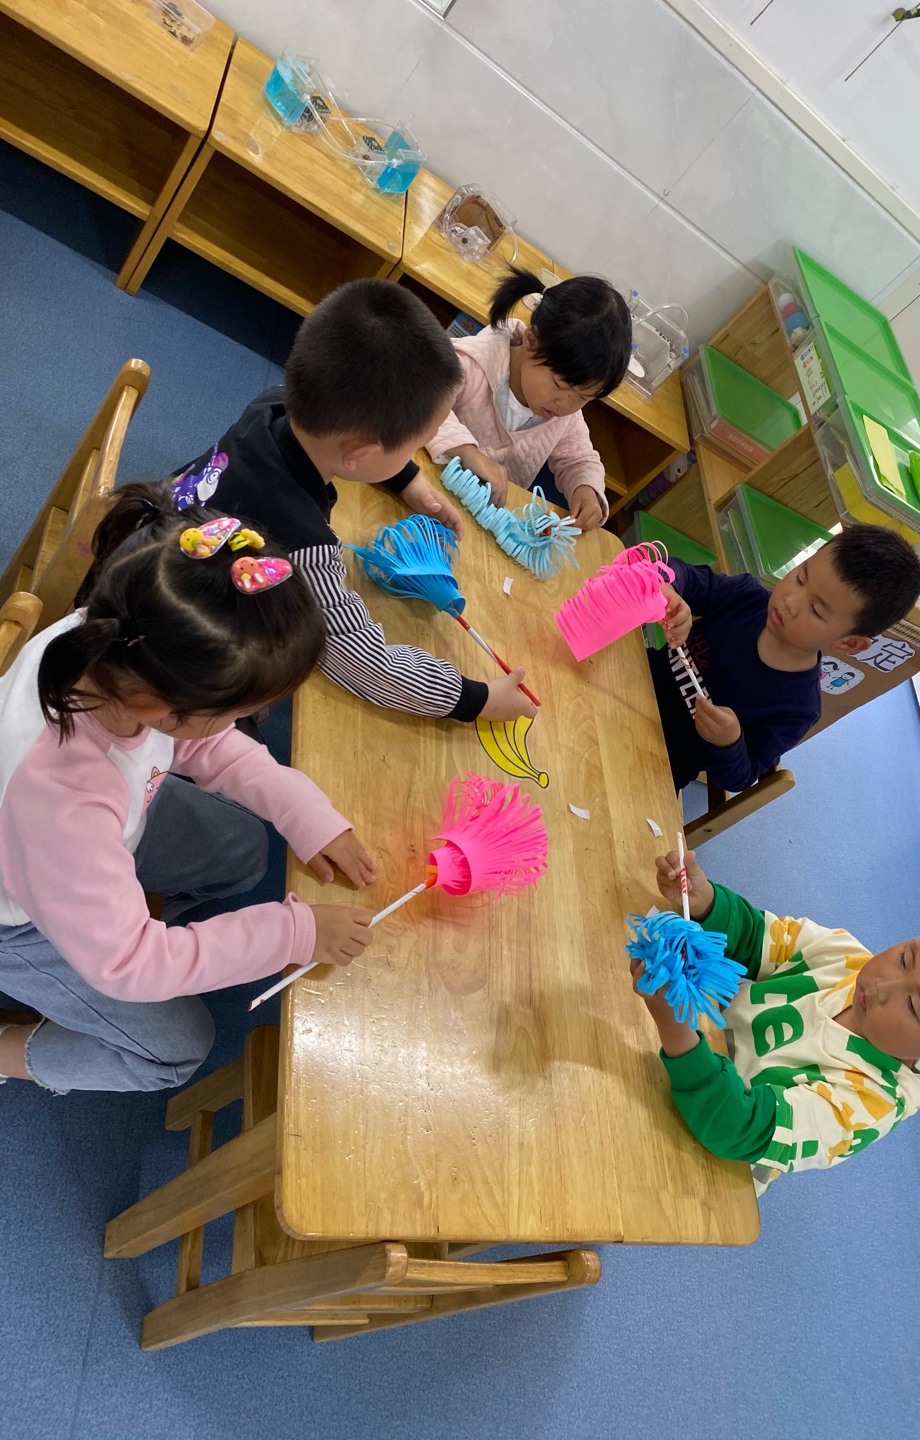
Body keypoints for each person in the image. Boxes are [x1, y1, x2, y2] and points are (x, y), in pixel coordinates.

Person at [0, 483, 379, 1094]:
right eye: (236, 711)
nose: (238, 723)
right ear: (157, 706)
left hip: (94, 831)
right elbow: (130, 965)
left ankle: (118, 916)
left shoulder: (119, 639)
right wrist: (293, 933)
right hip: (15, 918)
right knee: (175, 1051)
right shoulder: (63, 799)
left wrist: (301, 810)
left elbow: (200, 741)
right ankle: (7, 1053)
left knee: (243, 850)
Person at [173, 280, 534, 725]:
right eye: (413, 447)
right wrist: (477, 699)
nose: (413, 456)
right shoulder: (301, 545)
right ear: (360, 454)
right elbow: (366, 664)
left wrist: (407, 479)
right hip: (177, 659)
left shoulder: (275, 405)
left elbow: (352, 447)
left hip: (160, 537)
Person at [632, 848, 920, 1193]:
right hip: (680, 1040)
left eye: (913, 1006)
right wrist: (705, 901)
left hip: (700, 1148)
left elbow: (738, 1128)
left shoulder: (868, 1104)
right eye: (906, 956)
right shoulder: (845, 957)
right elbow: (756, 935)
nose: (882, 984)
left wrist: (675, 1029)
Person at [654, 524, 920, 794]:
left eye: (816, 609)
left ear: (848, 642)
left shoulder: (798, 708)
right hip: (640, 676)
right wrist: (671, 590)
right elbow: (680, 573)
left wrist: (728, 743)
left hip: (665, 760)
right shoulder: (746, 596)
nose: (790, 601)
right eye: (800, 577)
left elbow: (740, 777)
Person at [425, 266, 633, 532]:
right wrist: (466, 451)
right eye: (559, 385)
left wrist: (585, 488)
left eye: (584, 397)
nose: (565, 405)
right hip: (428, 494)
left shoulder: (566, 414)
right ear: (531, 342)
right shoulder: (472, 363)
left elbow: (579, 459)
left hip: (483, 523)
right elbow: (418, 396)